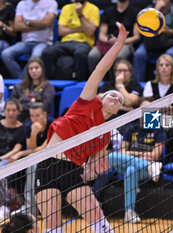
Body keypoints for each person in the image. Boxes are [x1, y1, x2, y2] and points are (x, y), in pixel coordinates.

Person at [34, 22, 128, 233]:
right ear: (101, 98)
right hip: (48, 165)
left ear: (117, 111)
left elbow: (96, 164)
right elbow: (101, 67)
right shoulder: (86, 101)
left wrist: (95, 168)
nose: (115, 97)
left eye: (119, 99)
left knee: (96, 215)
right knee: (53, 225)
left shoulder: (105, 133)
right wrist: (120, 42)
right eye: (112, 94)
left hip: (72, 170)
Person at [108, 97, 166, 223]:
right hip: (149, 167)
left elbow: (155, 155)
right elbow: (121, 152)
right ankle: (147, 166)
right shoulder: (132, 127)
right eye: (143, 109)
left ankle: (129, 212)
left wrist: (130, 154)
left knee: (130, 170)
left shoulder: (158, 129)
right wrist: (144, 158)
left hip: (143, 171)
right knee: (111, 157)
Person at [41, 0, 100, 81]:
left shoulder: (93, 9)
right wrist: (81, 29)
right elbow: (61, 31)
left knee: (80, 53)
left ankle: (79, 82)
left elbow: (90, 32)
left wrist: (80, 14)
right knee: (47, 52)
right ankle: (49, 81)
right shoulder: (66, 8)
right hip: (65, 42)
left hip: (83, 42)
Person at [143, 54, 173, 163]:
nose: (164, 67)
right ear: (157, 68)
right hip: (153, 120)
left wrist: (158, 107)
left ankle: (169, 160)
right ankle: (150, 158)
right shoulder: (150, 84)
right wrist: (168, 108)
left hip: (171, 122)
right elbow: (146, 108)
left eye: (167, 65)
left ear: (172, 68)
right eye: (161, 65)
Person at [133, 0, 173, 82]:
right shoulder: (148, 10)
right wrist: (156, 10)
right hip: (151, 43)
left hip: (171, 43)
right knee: (139, 54)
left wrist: (170, 31)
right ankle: (137, 85)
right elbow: (140, 29)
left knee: (172, 54)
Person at [1, 0, 57, 79]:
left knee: (35, 56)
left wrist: (26, 22)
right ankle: (21, 80)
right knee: (6, 54)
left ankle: (22, 82)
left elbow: (46, 23)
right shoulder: (22, 3)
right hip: (25, 42)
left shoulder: (51, 2)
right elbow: (17, 26)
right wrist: (40, 25)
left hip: (44, 42)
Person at [87, 0, 140, 74]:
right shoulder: (108, 11)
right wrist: (107, 39)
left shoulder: (135, 12)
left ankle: (117, 81)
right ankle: (97, 81)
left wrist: (120, 41)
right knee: (93, 55)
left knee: (119, 56)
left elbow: (136, 37)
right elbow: (101, 35)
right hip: (108, 43)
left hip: (126, 43)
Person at [0, 99, 26, 212]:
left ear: (18, 111)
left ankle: (4, 205)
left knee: (1, 171)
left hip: (11, 159)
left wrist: (2, 158)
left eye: (13, 110)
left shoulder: (22, 128)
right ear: (4, 111)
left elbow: (17, 148)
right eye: (8, 110)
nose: (11, 113)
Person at [10, 57, 55, 122]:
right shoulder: (19, 86)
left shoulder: (48, 86)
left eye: (36, 68)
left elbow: (43, 106)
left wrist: (22, 101)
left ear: (42, 69)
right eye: (31, 68)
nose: (33, 71)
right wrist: (32, 101)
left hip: (38, 119)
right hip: (20, 117)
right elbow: (13, 104)